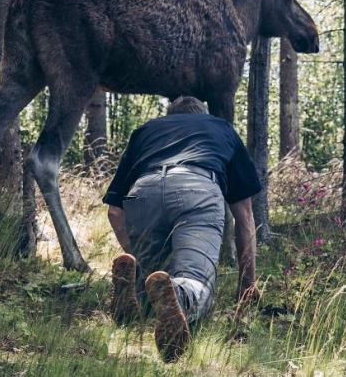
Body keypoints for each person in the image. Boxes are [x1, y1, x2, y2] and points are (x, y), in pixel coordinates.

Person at [103, 96, 262, 362]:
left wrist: (135, 255)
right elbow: (244, 216)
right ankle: (179, 291)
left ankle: (136, 294)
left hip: (144, 190)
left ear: (170, 115)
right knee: (196, 282)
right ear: (201, 113)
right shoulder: (221, 128)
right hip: (197, 188)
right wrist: (247, 284)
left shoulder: (145, 131)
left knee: (152, 279)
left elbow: (115, 211)